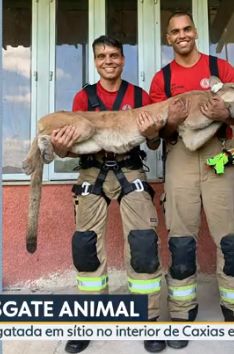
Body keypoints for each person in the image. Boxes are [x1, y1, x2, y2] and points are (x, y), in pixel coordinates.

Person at [149, 11, 234, 351]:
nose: (182, 35)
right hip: (179, 156)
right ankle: (183, 314)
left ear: (195, 32)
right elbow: (157, 132)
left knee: (231, 238)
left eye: (187, 29)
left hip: (221, 156)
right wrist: (173, 121)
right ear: (168, 38)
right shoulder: (161, 80)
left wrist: (222, 114)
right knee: (181, 240)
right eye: (175, 31)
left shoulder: (221, 68)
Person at [51, 35, 167, 354]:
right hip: (92, 170)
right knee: (85, 246)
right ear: (95, 61)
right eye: (101, 56)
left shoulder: (139, 96)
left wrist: (153, 133)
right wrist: (60, 148)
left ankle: (148, 318)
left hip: (130, 169)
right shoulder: (82, 99)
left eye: (114, 55)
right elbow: (67, 148)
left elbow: (155, 145)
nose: (108, 61)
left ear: (123, 59)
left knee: (144, 244)